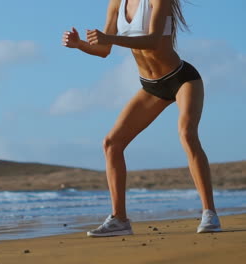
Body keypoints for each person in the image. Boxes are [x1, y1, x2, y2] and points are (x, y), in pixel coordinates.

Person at [62, 0, 221, 237]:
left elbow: (154, 39)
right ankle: (119, 219)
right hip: (151, 87)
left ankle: (210, 213)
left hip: (182, 79)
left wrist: (110, 38)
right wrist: (79, 45)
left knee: (187, 135)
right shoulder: (116, 3)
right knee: (112, 143)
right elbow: (103, 50)